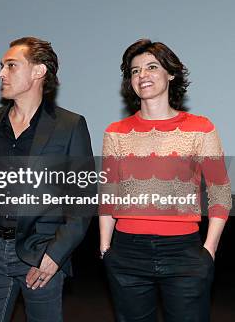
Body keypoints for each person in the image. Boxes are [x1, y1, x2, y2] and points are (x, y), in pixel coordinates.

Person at [0, 37, 94, 322]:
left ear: (38, 71)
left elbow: (82, 200)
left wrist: (55, 255)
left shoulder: (70, 125)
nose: (1, 73)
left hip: (41, 253)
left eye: (11, 65)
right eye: (2, 66)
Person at [99, 39, 232, 322]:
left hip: (184, 252)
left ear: (171, 73)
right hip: (126, 253)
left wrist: (208, 250)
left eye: (151, 67)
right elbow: (107, 195)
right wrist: (105, 248)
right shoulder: (115, 132)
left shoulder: (201, 128)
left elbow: (221, 193)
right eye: (134, 71)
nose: (142, 75)